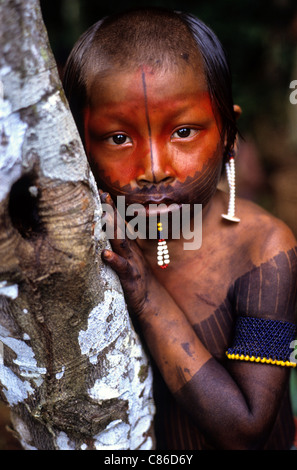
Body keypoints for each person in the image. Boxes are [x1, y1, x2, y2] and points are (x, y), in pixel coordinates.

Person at [63, 8, 297, 450]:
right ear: (80, 145)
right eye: (119, 138)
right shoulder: (78, 239)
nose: (153, 169)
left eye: (184, 131)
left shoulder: (264, 249)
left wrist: (147, 294)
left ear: (229, 132)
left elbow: (246, 430)